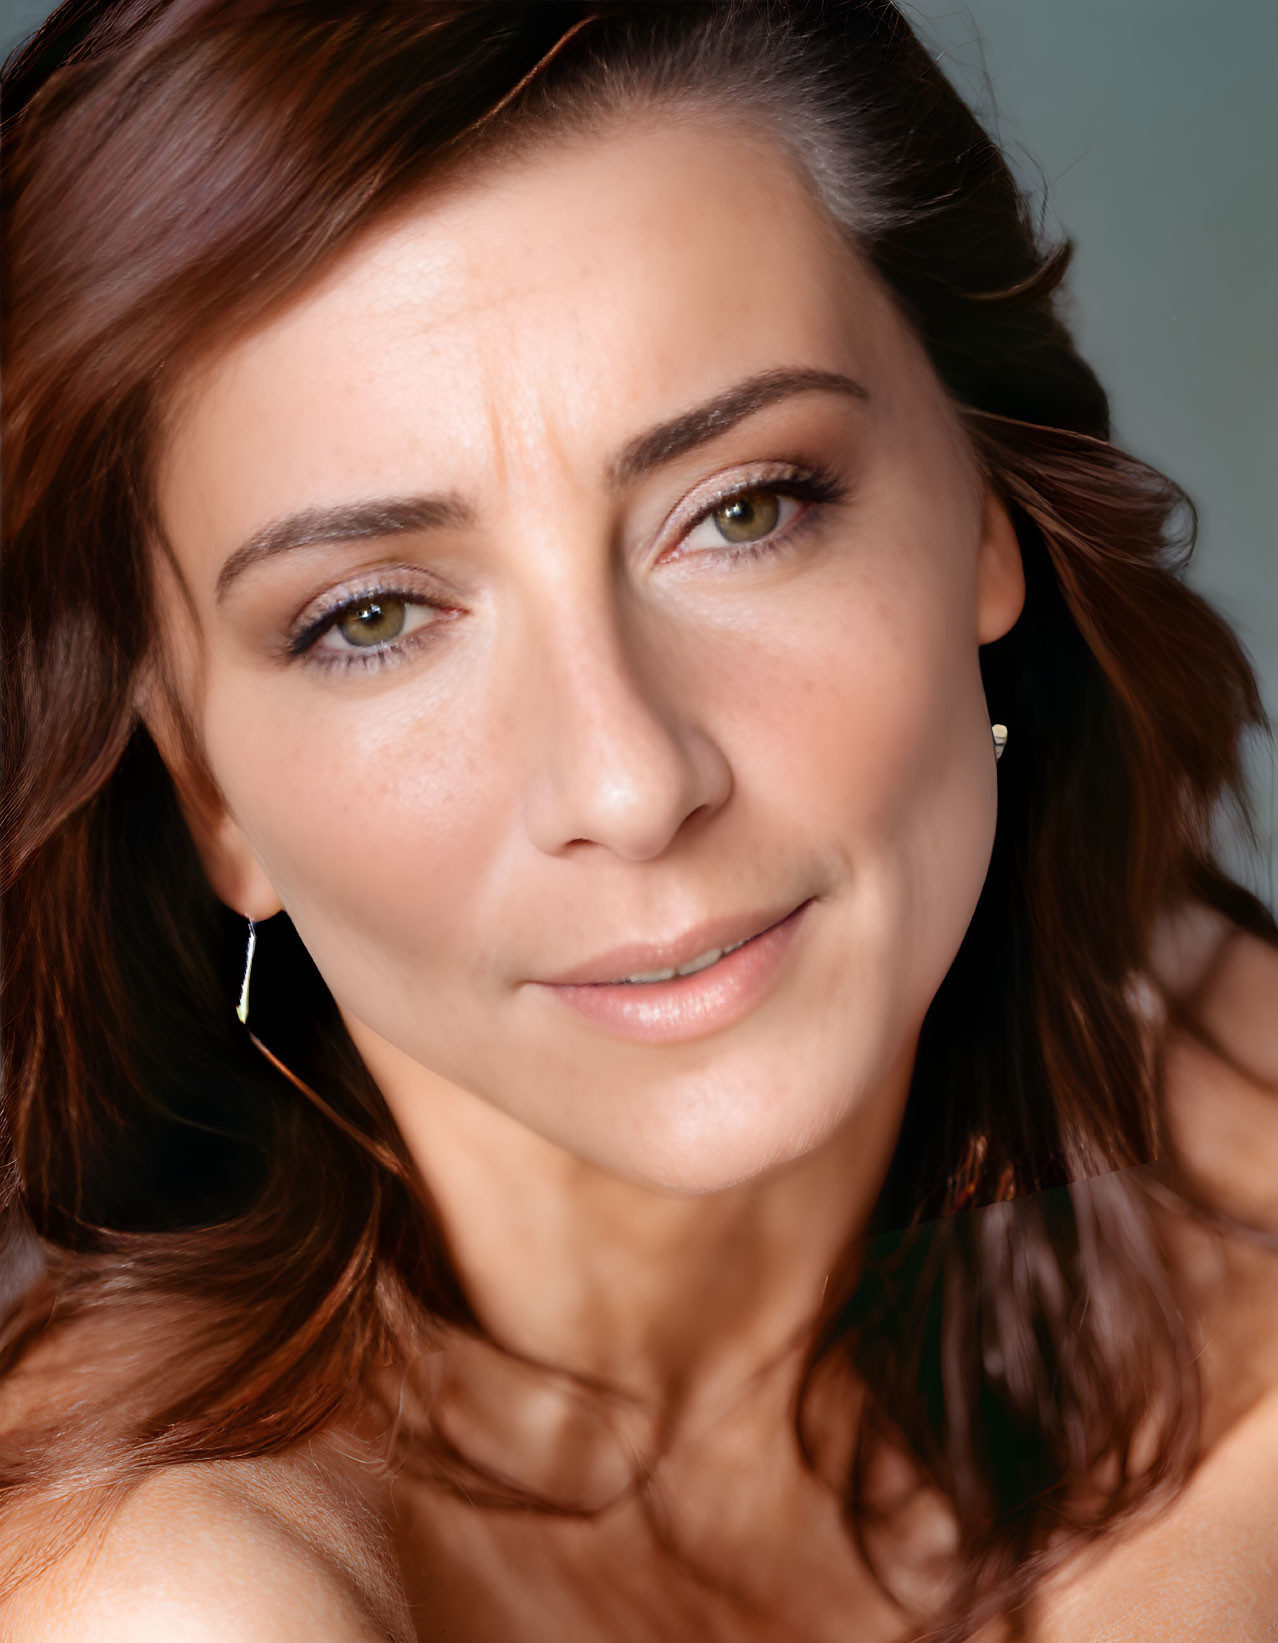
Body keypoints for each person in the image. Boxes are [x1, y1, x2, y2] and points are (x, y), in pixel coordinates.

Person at [2, 1, 1276, 1638]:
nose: (630, 780)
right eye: (374, 618)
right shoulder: (169, 1591)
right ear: (206, 794)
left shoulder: (1184, 1122)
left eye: (742, 511)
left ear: (983, 520)